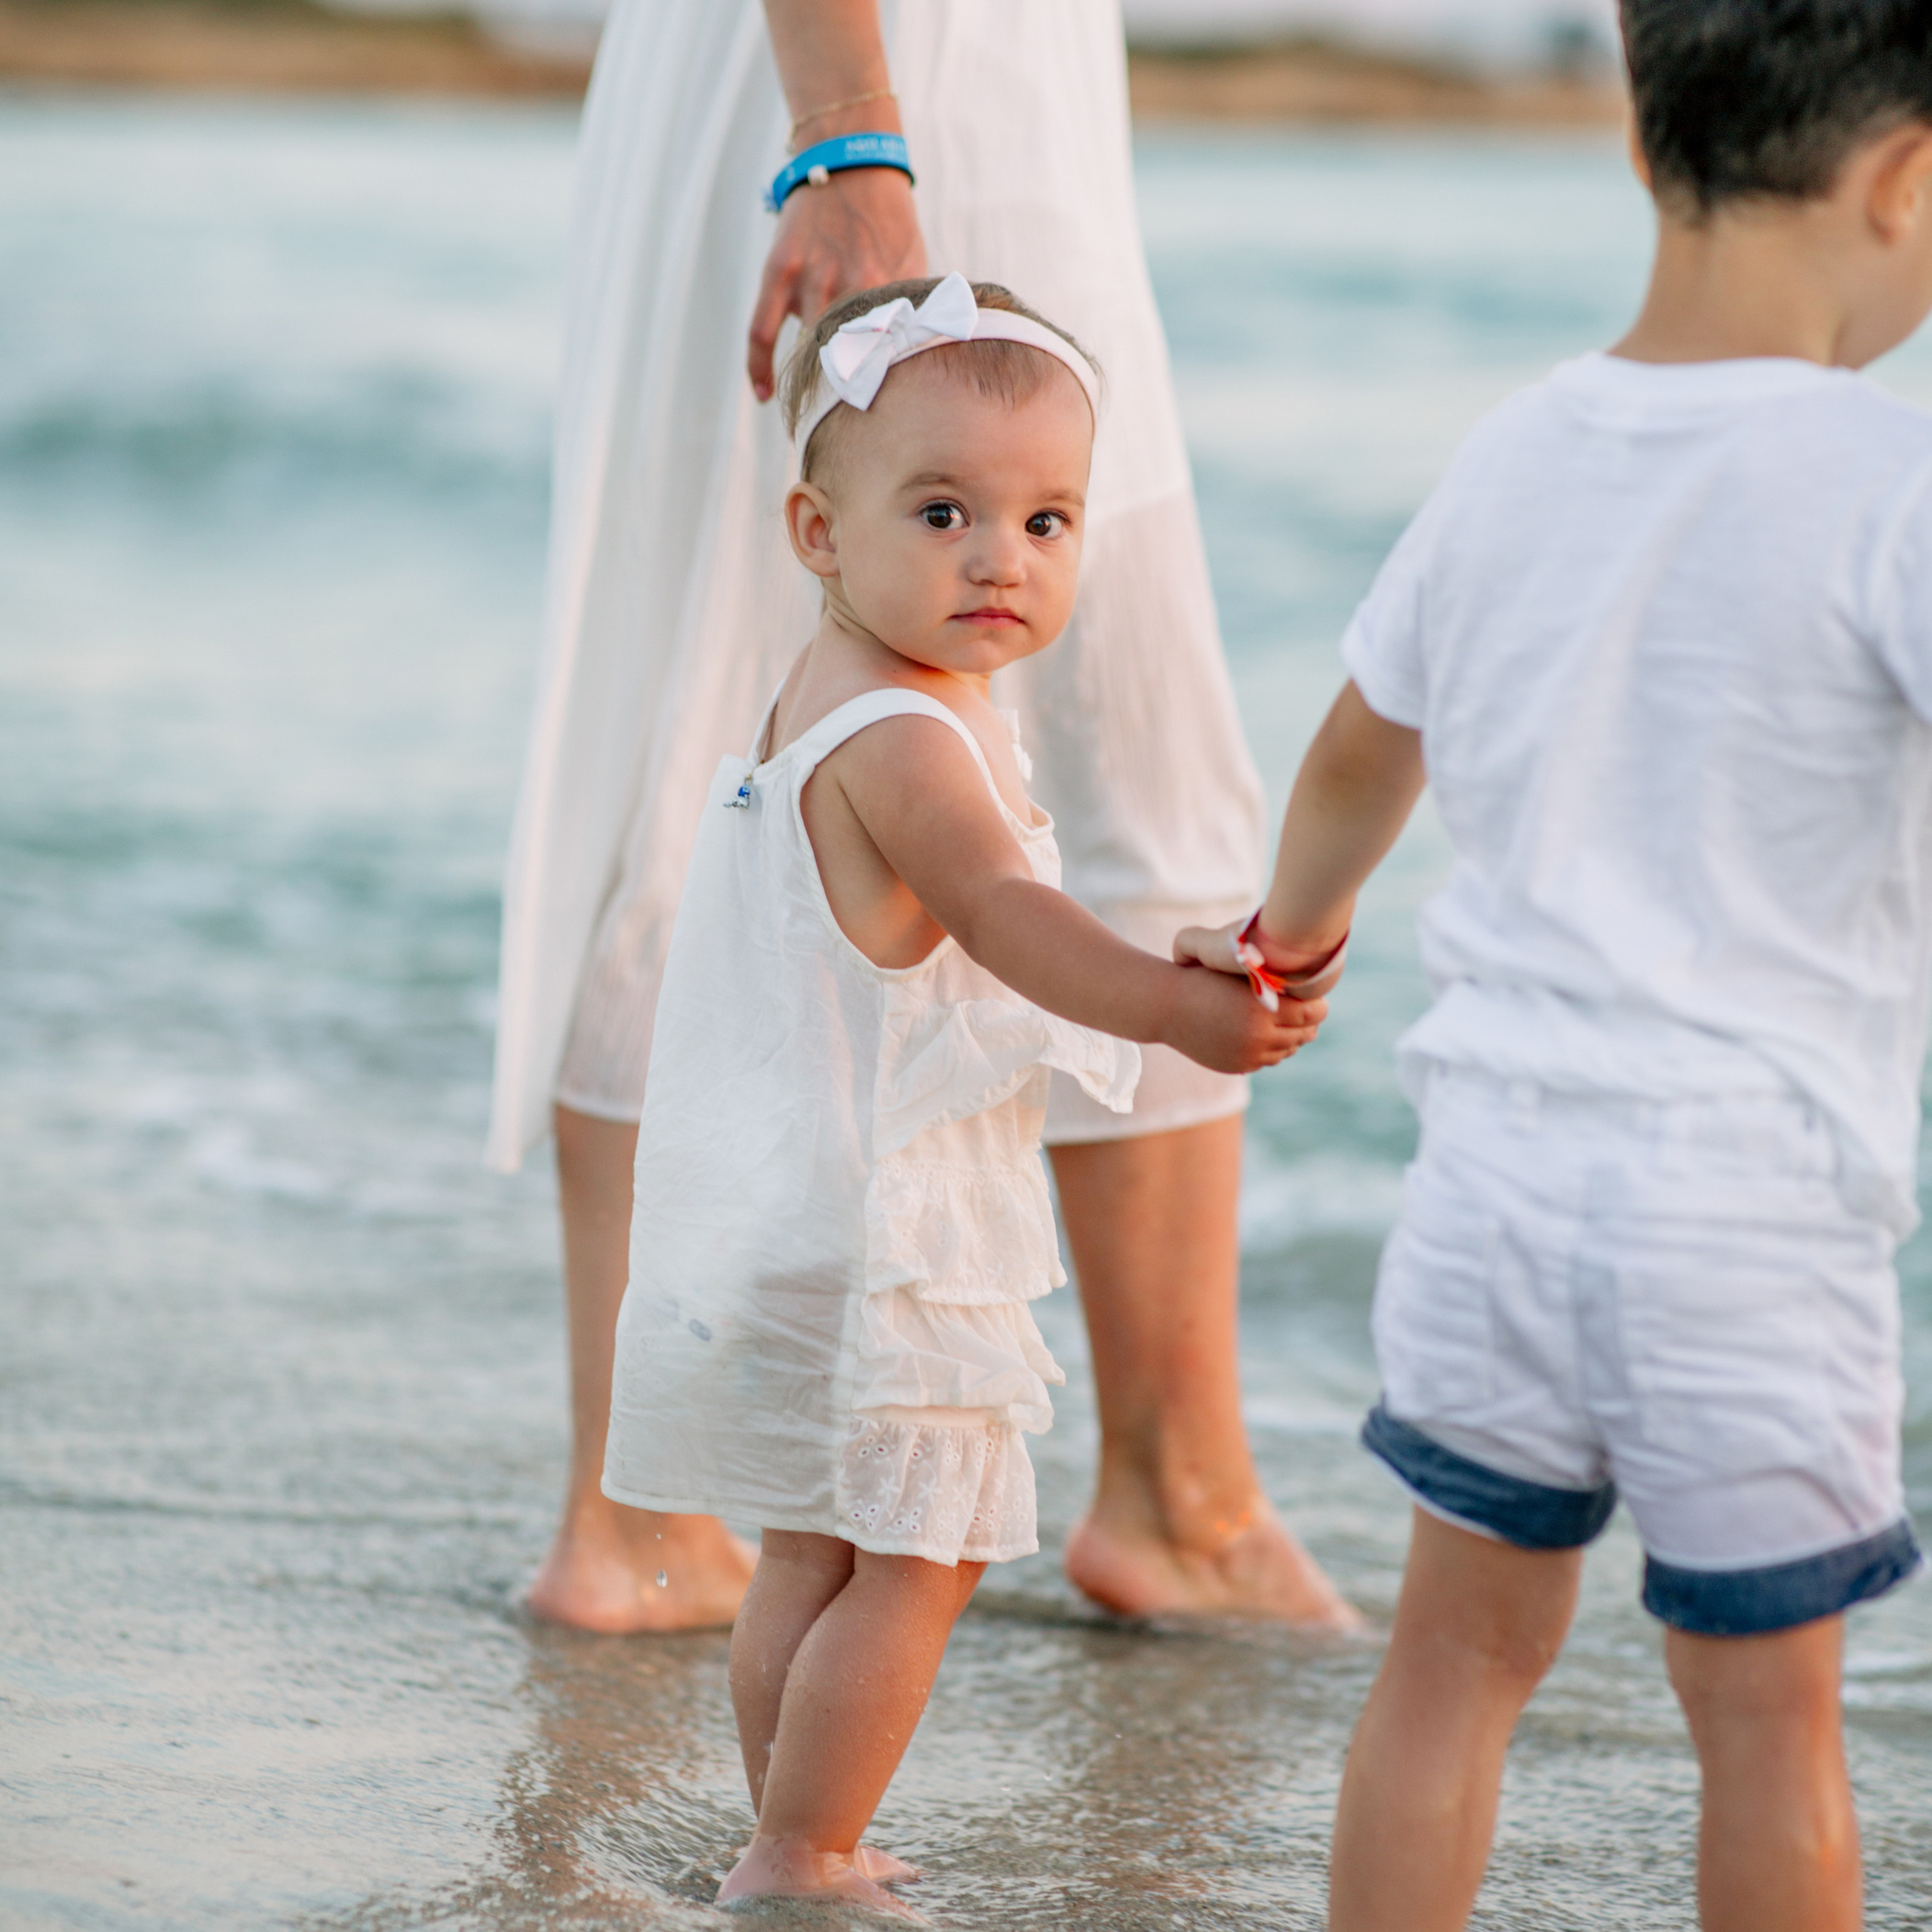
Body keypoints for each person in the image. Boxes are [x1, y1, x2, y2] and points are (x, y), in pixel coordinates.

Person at [1177, 2, 1932, 1923]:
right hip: (1743, 1216)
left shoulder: (1516, 447)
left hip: (1492, 1188)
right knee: (1765, 1724)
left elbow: (1358, 755)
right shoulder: (1883, 477)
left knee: (1450, 1666)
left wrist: (1287, 942)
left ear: (1635, 141)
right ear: (1904, 181)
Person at [490, 0, 1353, 1632]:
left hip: (921, 83)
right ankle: (1151, 1501)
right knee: (802, 740)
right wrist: (849, 134)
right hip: (876, 89)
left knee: (760, 732)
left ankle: (653, 1513)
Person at [601, 275, 1331, 1911]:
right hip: (883, 1227)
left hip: (787, 1195)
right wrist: (1172, 1010)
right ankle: (801, 1849)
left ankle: (787, 1824)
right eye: (944, 510)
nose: (1001, 555)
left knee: (809, 1544)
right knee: (915, 1558)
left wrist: (1159, 962)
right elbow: (1006, 921)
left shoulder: (826, 694)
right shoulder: (913, 742)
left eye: (1047, 517)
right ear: (816, 530)